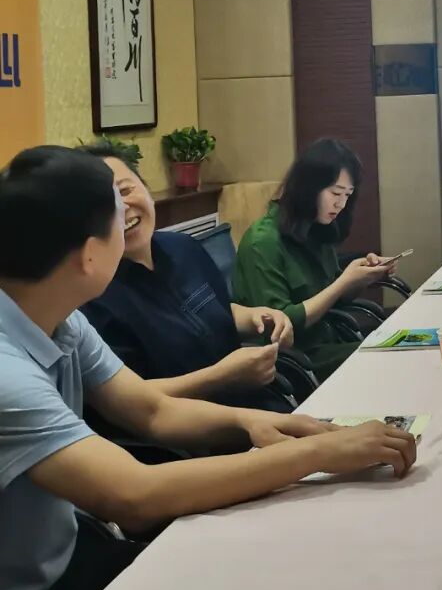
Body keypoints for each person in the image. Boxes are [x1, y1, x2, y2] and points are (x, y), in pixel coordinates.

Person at [0, 147, 417, 590]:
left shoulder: (59, 315)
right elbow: (134, 496)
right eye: (115, 214)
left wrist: (249, 423)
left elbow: (150, 409)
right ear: (89, 256)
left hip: (66, 553)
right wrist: (317, 453)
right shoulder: (8, 373)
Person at [79, 145, 295, 412]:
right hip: (190, 429)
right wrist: (221, 377)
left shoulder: (182, 247)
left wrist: (255, 317)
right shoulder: (91, 296)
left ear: (146, 189)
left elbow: (212, 309)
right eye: (103, 204)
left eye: (125, 190)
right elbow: (123, 398)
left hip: (255, 404)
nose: (121, 208)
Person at [233, 139, 395, 382]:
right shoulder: (262, 242)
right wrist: (343, 282)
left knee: (400, 345)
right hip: (295, 361)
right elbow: (281, 326)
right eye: (335, 193)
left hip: (327, 340)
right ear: (308, 188)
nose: (341, 204)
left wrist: (362, 278)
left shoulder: (315, 228)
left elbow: (334, 296)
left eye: (348, 195)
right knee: (388, 359)